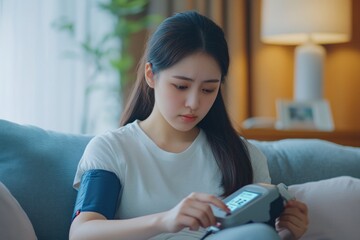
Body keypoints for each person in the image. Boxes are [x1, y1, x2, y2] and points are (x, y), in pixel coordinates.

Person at [69, 11, 308, 240]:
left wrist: (285, 235)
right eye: (181, 86)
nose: (194, 103)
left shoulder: (244, 156)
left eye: (208, 89)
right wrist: (165, 220)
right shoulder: (112, 149)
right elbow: (82, 232)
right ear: (151, 75)